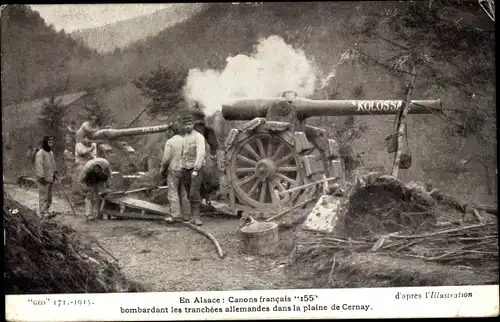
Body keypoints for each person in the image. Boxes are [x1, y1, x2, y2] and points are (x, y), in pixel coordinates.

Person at [179, 109, 206, 226]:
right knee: (188, 191)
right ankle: (193, 217)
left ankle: (197, 217)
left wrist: (196, 169)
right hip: (185, 169)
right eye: (185, 124)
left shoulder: (198, 137)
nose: (188, 126)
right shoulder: (184, 138)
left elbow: (201, 153)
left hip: (195, 169)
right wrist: (181, 166)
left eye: (189, 124)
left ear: (193, 124)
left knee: (193, 192)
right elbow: (182, 154)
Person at [160, 122, 188, 223]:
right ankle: (187, 215)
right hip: (186, 170)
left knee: (173, 192)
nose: (167, 133)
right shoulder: (185, 140)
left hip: (174, 169)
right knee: (185, 193)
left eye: (168, 131)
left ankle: (176, 216)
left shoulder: (170, 142)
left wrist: (162, 170)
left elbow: (166, 159)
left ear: (172, 131)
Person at [78, 157, 111, 222]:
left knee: (102, 194)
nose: (97, 171)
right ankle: (88, 214)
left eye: (99, 170)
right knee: (89, 196)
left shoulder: (105, 164)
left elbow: (109, 176)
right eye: (96, 170)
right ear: (93, 168)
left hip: (101, 179)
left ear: (101, 168)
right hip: (90, 179)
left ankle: (99, 213)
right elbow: (80, 180)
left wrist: (109, 187)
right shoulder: (87, 168)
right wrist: (86, 189)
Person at [34, 136, 57, 218]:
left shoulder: (50, 153)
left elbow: (52, 163)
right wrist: (41, 176)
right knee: (43, 195)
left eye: (52, 142)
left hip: (50, 177)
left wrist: (55, 171)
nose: (51, 143)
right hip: (43, 178)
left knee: (49, 196)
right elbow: (38, 165)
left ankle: (46, 209)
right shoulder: (40, 153)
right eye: (49, 142)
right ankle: (43, 212)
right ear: (45, 142)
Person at [73, 137, 97, 203]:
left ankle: (89, 197)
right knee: (82, 181)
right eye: (87, 138)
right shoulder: (79, 145)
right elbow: (82, 152)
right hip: (81, 165)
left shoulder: (92, 145)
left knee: (90, 181)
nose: (88, 140)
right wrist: (91, 149)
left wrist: (93, 157)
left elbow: (94, 155)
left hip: (89, 165)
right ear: (83, 138)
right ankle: (81, 198)